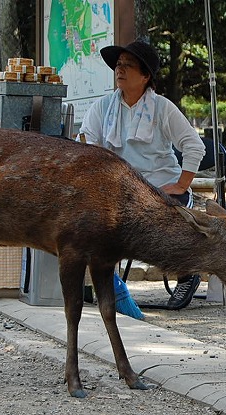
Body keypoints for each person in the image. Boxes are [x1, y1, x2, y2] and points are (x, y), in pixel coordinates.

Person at [78, 40, 206, 310]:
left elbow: (194, 146)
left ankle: (186, 273)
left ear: (146, 76)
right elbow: (87, 147)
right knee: (86, 217)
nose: (120, 70)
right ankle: (102, 283)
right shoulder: (102, 107)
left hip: (160, 186)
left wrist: (181, 184)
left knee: (170, 217)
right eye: (118, 65)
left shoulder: (162, 108)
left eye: (128, 65)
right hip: (118, 189)